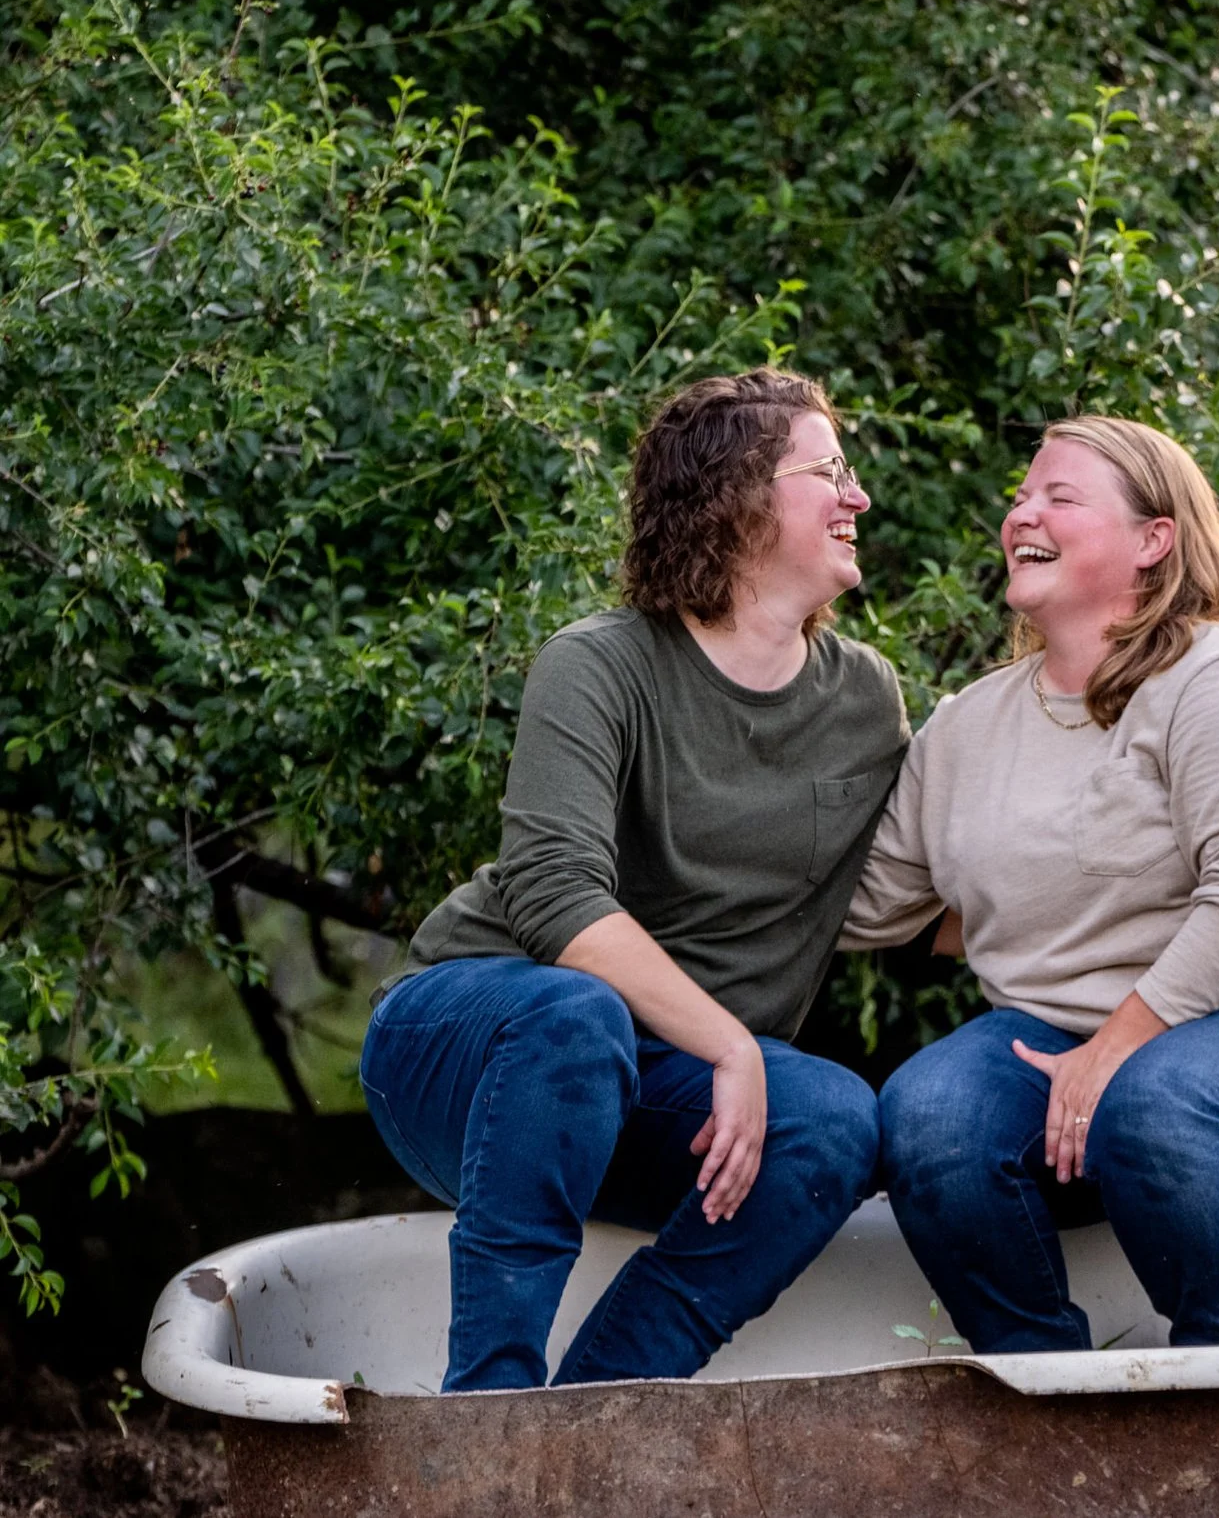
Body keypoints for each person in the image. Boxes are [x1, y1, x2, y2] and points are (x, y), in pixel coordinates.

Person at [361, 368, 907, 1391]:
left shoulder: (866, 700)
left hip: (666, 1094)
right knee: (577, 1016)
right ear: (738, 496)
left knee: (834, 1120)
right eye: (829, 470)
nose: (858, 496)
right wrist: (731, 1040)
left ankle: (599, 1413)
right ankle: (490, 1415)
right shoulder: (599, 663)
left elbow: (943, 886)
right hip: (471, 1051)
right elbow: (555, 896)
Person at [843, 416, 1219, 1353]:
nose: (1024, 511)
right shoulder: (968, 726)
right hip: (1060, 1049)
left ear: (1153, 540)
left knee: (1157, 1098)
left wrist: (1116, 1049)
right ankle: (1054, 1407)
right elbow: (868, 907)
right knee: (926, 1113)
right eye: (1022, 495)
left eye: (1060, 496)